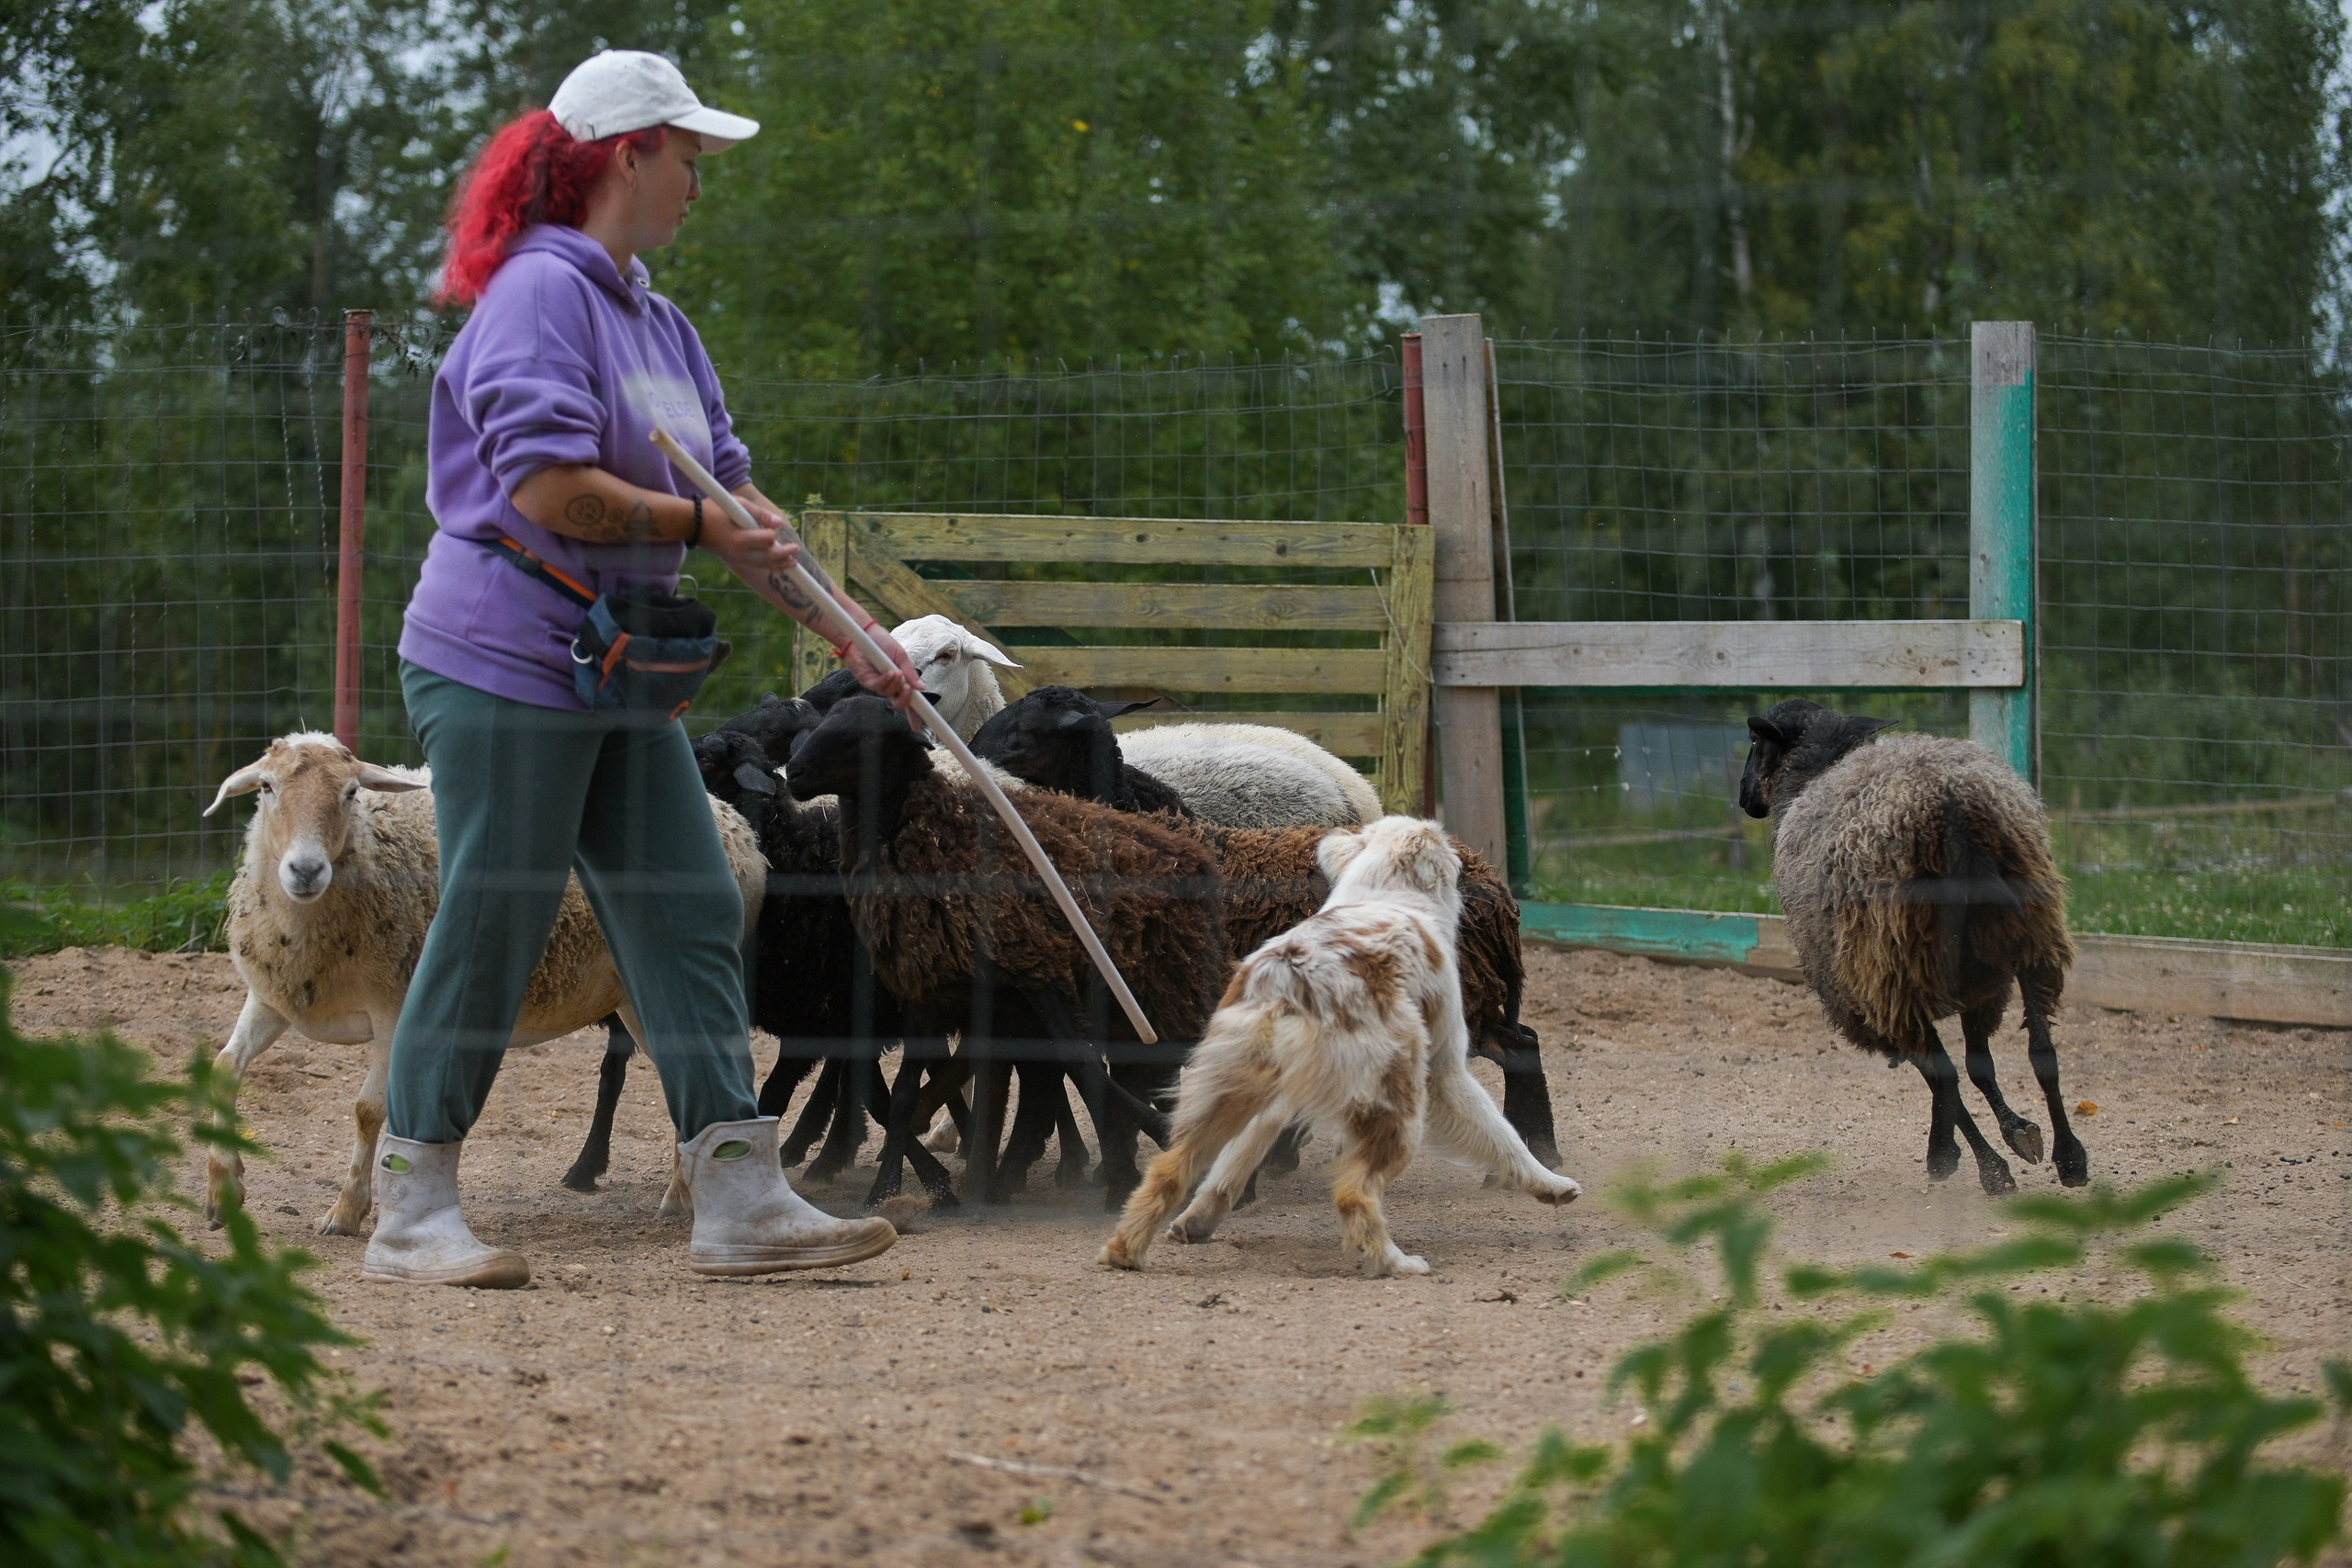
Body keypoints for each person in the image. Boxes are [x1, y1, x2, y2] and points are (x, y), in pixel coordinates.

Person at [366, 51, 920, 1288]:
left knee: (687, 900)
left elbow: (737, 502)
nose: (700, 183)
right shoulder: (536, 299)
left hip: (620, 670)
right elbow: (552, 490)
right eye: (690, 157)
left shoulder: (657, 320)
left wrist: (852, 633)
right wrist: (694, 530)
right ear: (629, 154)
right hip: (504, 658)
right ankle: (410, 1208)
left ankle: (739, 1198)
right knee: (498, 912)